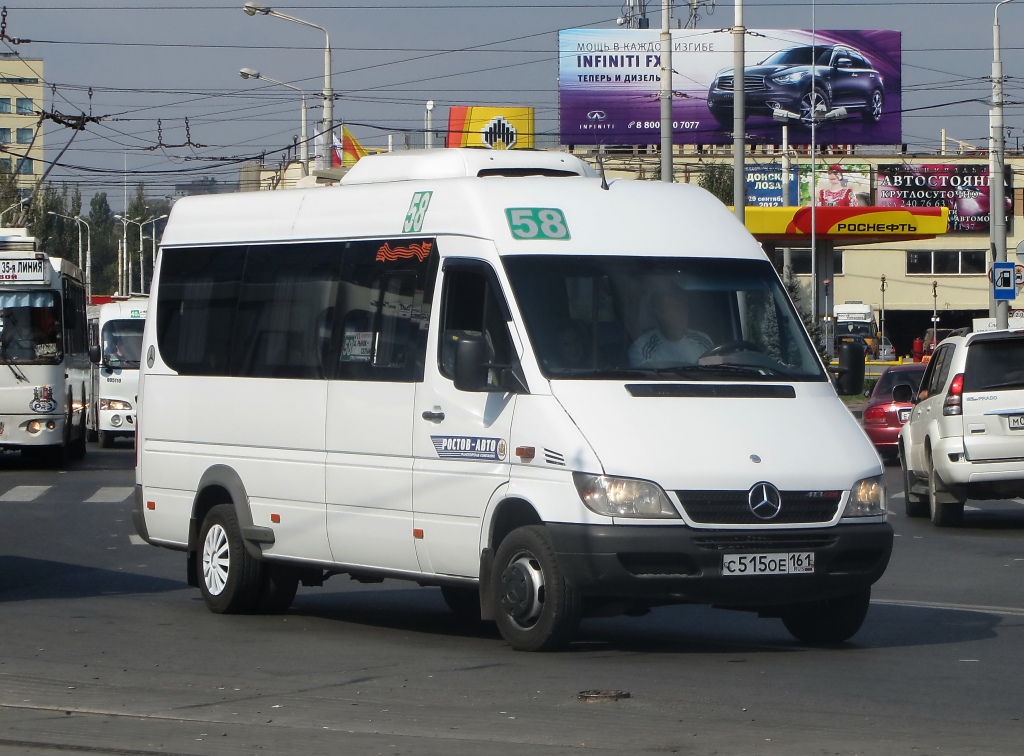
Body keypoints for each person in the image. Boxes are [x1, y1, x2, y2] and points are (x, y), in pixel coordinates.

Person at [629, 283, 713, 367]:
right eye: (675, 307)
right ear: (659, 313)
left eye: (684, 307)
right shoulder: (642, 349)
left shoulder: (703, 342)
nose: (681, 312)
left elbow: (715, 373)